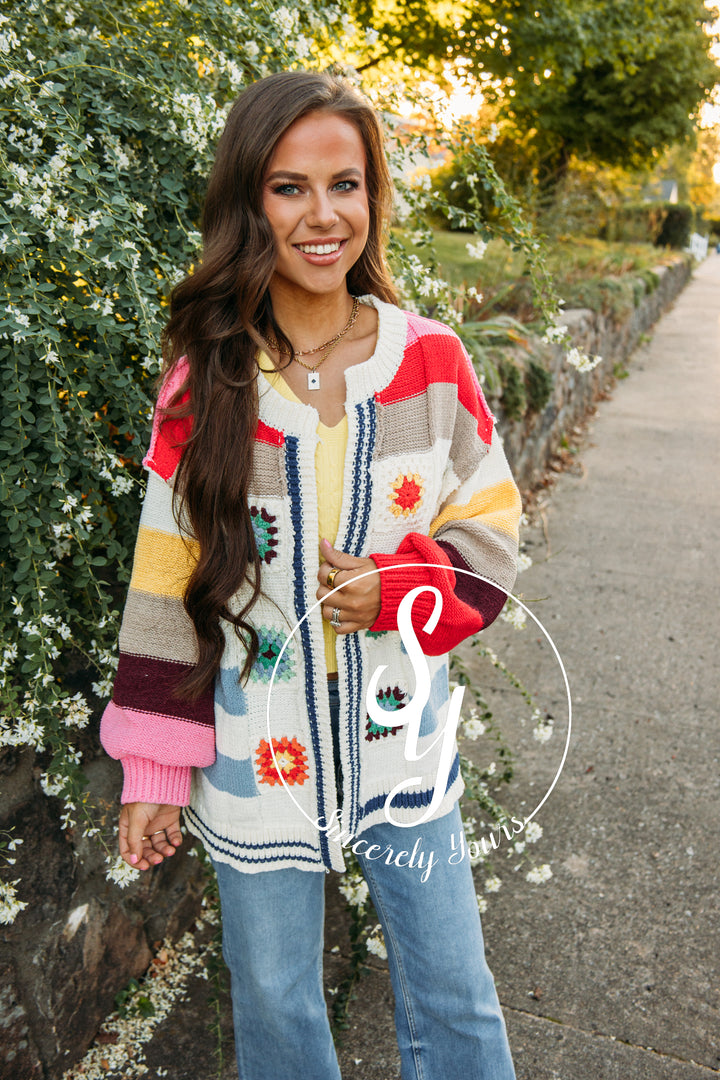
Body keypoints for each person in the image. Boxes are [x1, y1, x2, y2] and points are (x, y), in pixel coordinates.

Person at [100, 70, 520, 1080]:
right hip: (257, 766)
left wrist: (405, 590)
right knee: (280, 1008)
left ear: (374, 196)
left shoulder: (433, 362)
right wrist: (155, 770)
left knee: (455, 999)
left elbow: (494, 538)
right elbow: (165, 582)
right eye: (290, 188)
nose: (323, 214)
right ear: (250, 204)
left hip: (406, 756)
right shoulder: (208, 380)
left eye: (347, 183)